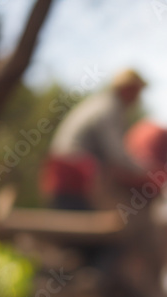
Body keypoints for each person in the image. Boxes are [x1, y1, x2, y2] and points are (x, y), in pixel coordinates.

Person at [40, 69, 149, 210]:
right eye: (137, 92)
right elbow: (117, 156)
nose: (138, 98)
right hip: (74, 168)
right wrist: (145, 172)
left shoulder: (103, 103)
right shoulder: (110, 109)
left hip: (66, 164)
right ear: (128, 89)